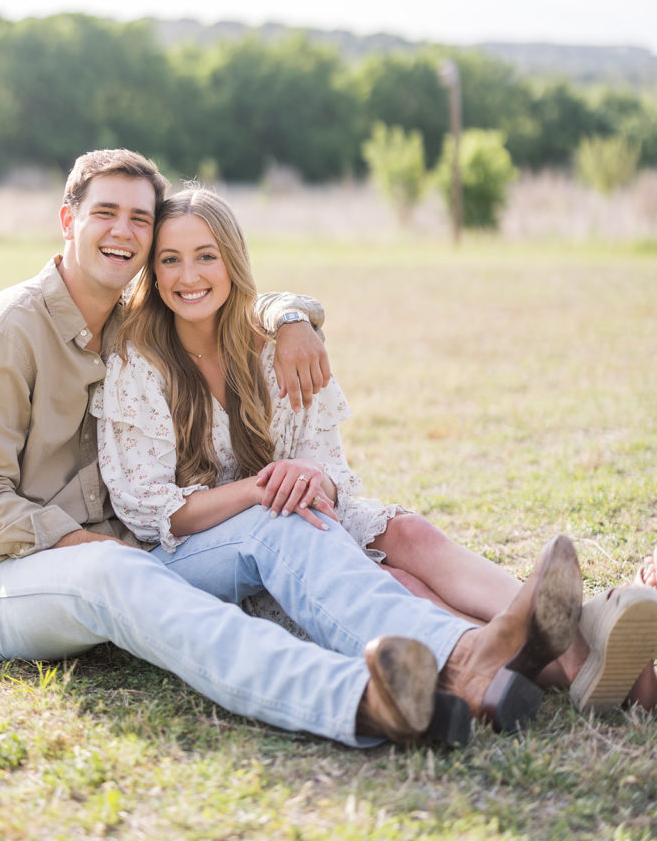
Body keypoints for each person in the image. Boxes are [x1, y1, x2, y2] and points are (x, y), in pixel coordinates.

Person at [0, 148, 581, 750]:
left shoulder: (120, 319)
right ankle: (359, 699)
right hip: (6, 582)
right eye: (106, 213)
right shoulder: (6, 333)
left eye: (138, 218)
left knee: (288, 523)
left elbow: (217, 297)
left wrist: (289, 314)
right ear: (68, 219)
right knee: (120, 571)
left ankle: (464, 659)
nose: (123, 232)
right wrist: (90, 546)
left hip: (133, 555)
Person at [93, 184, 589, 743]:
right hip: (200, 552)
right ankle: (536, 664)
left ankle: (581, 650)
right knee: (390, 579)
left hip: (291, 518)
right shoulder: (139, 363)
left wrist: (312, 474)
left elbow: (328, 466)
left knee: (408, 532)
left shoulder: (273, 346)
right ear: (153, 275)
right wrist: (259, 490)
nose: (189, 276)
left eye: (206, 256)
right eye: (170, 260)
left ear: (233, 261)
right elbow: (151, 512)